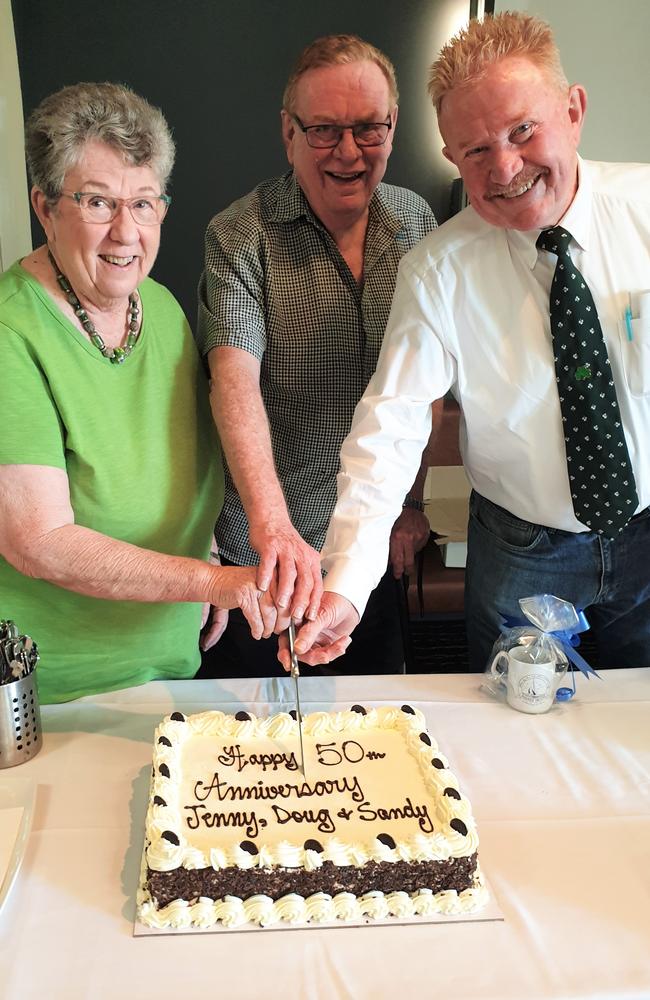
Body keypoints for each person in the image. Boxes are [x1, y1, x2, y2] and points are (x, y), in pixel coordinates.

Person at [292, 12, 650, 672]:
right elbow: (390, 427)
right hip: (521, 549)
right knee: (512, 730)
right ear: (453, 157)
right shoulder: (438, 269)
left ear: (573, 111)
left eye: (523, 131)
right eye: (477, 150)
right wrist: (345, 585)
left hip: (648, 529)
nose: (506, 166)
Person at [0, 82, 277, 704]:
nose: (126, 232)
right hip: (57, 692)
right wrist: (211, 581)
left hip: (169, 665)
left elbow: (172, 461)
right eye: (98, 202)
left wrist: (200, 548)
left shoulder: (159, 307)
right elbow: (38, 540)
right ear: (45, 208)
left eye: (145, 203)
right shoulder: (9, 333)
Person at [197, 34, 440, 677]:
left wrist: (412, 507)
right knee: (255, 758)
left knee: (373, 747)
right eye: (326, 130)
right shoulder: (240, 235)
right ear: (289, 133)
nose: (349, 152)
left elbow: (419, 388)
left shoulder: (416, 222)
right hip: (267, 554)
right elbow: (233, 380)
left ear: (393, 127)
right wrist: (274, 530)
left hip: (372, 549)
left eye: (369, 128)